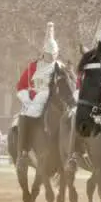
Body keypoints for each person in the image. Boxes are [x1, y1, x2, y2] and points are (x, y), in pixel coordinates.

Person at [15, 22, 60, 170]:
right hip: (36, 100)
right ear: (44, 53)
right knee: (26, 116)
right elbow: (21, 86)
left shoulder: (60, 67)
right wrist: (27, 99)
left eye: (54, 54)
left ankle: (74, 152)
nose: (52, 57)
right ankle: (23, 151)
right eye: (49, 54)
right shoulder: (33, 67)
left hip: (56, 100)